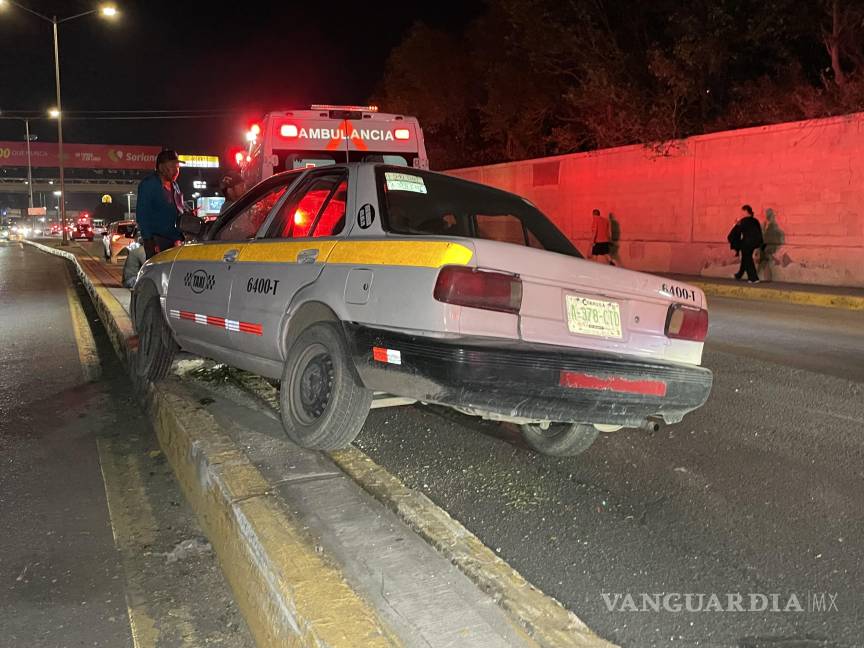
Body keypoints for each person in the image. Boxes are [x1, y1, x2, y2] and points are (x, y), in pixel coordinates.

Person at [136, 149, 185, 259]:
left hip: (176, 241)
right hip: (157, 242)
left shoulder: (175, 186)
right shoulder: (149, 185)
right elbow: (142, 215)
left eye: (178, 166)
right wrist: (149, 241)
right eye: (172, 166)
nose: (176, 170)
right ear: (162, 167)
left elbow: (179, 209)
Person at [729, 204, 764, 283]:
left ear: (746, 211)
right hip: (754, 243)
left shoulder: (744, 221)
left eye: (742, 212)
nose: (741, 214)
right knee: (745, 258)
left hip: (746, 243)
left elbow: (736, 231)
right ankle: (739, 275)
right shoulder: (755, 220)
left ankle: (754, 278)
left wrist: (735, 224)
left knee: (748, 259)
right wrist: (759, 244)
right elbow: (759, 233)